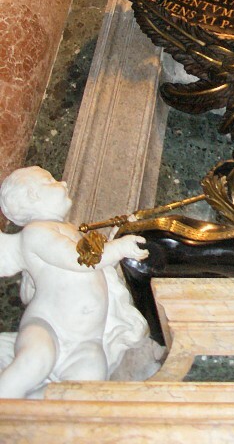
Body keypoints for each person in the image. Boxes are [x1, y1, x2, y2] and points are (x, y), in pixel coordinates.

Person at [0, 166, 149, 398]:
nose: (64, 183)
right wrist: (117, 248)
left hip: (86, 340)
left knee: (87, 386)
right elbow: (78, 259)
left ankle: (34, 410)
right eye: (51, 181)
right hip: (48, 328)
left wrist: (116, 240)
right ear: (33, 195)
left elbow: (96, 267)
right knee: (35, 361)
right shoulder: (36, 232)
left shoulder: (67, 230)